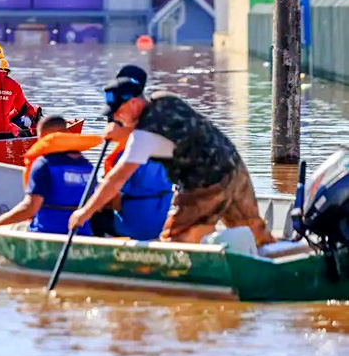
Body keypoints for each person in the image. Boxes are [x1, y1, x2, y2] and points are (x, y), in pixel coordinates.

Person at [68, 76, 275, 246]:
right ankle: (275, 256)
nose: (115, 118)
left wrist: (85, 212)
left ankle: (197, 275)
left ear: (133, 103)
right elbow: (165, 129)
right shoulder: (165, 98)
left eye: (117, 112)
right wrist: (125, 130)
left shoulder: (143, 137)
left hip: (206, 183)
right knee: (253, 228)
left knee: (174, 240)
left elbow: (116, 179)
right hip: (233, 166)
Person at [90, 65, 174, 240]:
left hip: (137, 227)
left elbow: (114, 197)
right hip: (163, 219)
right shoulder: (161, 143)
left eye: (118, 115)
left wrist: (89, 206)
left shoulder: (127, 155)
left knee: (93, 213)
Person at [0, 115, 97, 236]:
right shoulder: (87, 166)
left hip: (46, 231)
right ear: (67, 134)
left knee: (6, 228)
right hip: (81, 233)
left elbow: (29, 208)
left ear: (42, 137)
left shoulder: (44, 164)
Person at [0, 59, 42, 133]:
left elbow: (24, 107)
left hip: (14, 120)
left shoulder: (13, 86)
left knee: (25, 122)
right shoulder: (13, 85)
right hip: (9, 120)